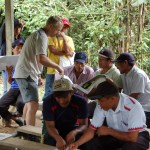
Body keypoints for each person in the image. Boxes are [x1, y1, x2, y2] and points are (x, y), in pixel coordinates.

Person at [69, 80, 150, 150]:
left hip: (137, 135)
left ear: (113, 99)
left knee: (130, 147)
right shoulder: (101, 106)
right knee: (92, 143)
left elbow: (132, 137)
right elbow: (91, 130)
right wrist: (77, 143)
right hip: (115, 135)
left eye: (101, 101)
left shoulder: (133, 106)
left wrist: (109, 131)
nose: (99, 104)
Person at [13, 16, 64, 126]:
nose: (58, 33)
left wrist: (38, 75)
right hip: (26, 73)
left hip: (26, 73)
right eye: (57, 29)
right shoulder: (42, 37)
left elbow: (36, 59)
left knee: (29, 104)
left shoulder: (38, 34)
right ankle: (30, 134)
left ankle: (26, 130)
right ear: (50, 26)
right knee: (33, 105)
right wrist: (58, 67)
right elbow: (42, 58)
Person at [42, 78, 88, 149]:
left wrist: (74, 132)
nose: (61, 101)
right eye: (58, 97)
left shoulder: (81, 102)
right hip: (53, 128)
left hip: (72, 127)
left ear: (72, 92)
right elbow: (50, 126)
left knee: (82, 140)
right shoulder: (48, 102)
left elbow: (84, 124)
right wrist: (58, 138)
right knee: (49, 139)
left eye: (65, 97)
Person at [113, 52, 150, 128]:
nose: (117, 67)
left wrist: (117, 105)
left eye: (118, 64)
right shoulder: (124, 74)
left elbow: (133, 97)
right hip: (132, 107)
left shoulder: (139, 75)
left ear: (125, 63)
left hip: (144, 110)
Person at [43, 18, 75, 99]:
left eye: (66, 28)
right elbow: (53, 50)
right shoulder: (51, 37)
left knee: (63, 91)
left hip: (65, 70)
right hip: (52, 69)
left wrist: (64, 39)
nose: (63, 30)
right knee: (49, 91)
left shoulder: (69, 39)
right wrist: (65, 52)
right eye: (62, 27)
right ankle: (47, 109)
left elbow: (70, 53)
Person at [0, 39, 25, 127]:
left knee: (20, 103)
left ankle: (21, 118)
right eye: (18, 48)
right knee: (0, 105)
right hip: (14, 88)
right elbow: (10, 82)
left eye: (22, 48)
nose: (20, 50)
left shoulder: (26, 61)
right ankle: (15, 119)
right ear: (13, 49)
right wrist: (10, 73)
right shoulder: (10, 62)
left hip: (24, 88)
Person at [0, 19, 25, 95]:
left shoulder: (21, 39)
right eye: (15, 28)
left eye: (19, 27)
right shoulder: (6, 44)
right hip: (8, 69)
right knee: (7, 90)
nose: (17, 30)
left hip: (20, 69)